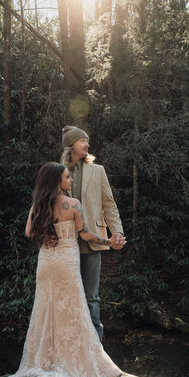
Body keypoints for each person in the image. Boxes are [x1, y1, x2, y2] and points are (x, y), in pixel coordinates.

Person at [3, 162, 123, 377]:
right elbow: (87, 236)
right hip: (67, 262)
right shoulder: (73, 204)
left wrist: (45, 234)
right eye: (67, 178)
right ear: (57, 180)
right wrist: (110, 243)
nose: (70, 181)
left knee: (46, 309)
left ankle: (46, 362)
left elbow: (28, 233)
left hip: (47, 262)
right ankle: (74, 363)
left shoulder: (38, 205)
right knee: (73, 310)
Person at [61, 126, 125, 341]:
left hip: (93, 240)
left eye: (87, 140)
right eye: (82, 141)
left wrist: (117, 233)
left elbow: (109, 204)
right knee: (68, 297)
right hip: (65, 242)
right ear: (71, 145)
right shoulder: (57, 170)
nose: (87, 144)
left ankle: (95, 349)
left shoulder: (98, 171)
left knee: (91, 297)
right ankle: (71, 346)